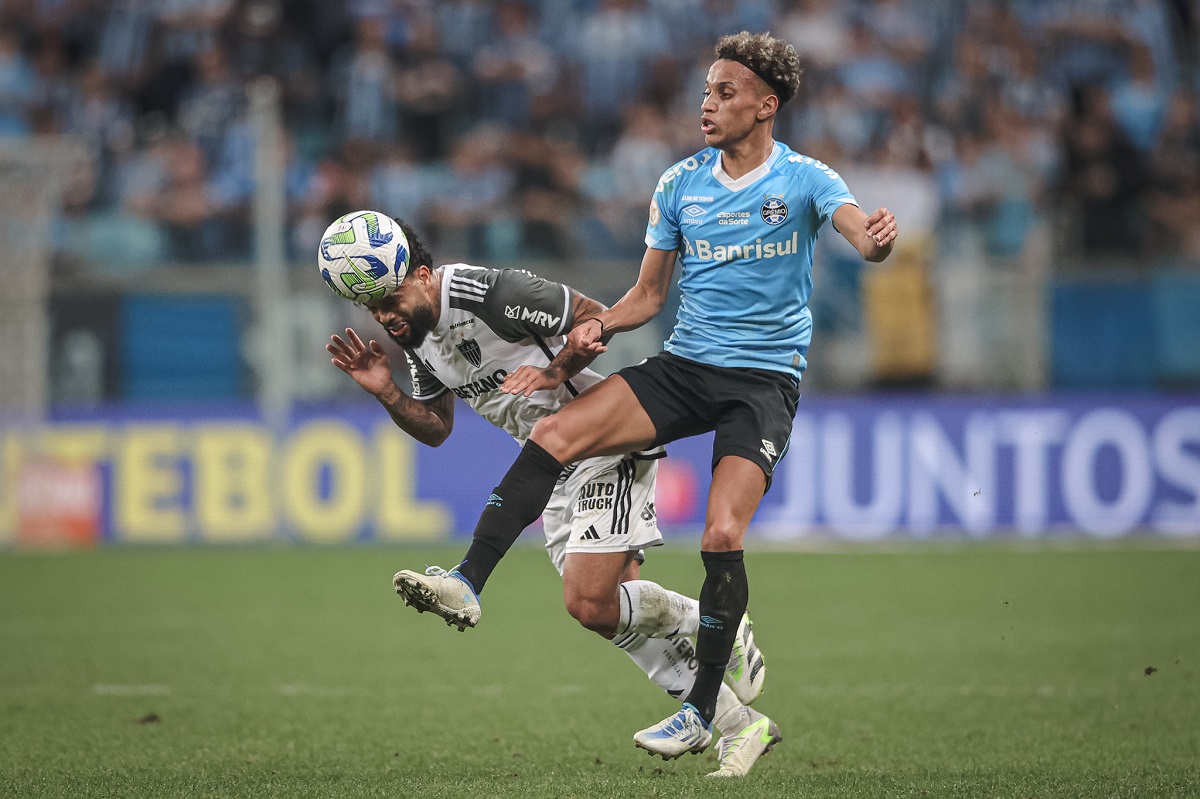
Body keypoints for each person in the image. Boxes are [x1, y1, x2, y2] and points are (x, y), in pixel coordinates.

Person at [394, 30, 898, 764]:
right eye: (706, 91)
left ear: (766, 105)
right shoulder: (679, 184)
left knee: (721, 535)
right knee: (555, 434)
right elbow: (646, 296)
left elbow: (863, 236)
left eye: (725, 93)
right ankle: (468, 582)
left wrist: (877, 241)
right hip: (687, 367)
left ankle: (702, 711)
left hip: (762, 383)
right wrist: (589, 334)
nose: (707, 104)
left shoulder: (806, 180)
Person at [328, 216, 779, 777]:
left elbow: (594, 316)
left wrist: (557, 370)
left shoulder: (491, 293)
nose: (384, 316)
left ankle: (716, 625)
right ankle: (738, 716)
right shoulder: (417, 338)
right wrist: (387, 391)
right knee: (602, 611)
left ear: (422, 275)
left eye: (389, 299)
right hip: (549, 469)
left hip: (602, 441)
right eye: (371, 307)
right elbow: (437, 427)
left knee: (587, 599)